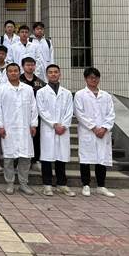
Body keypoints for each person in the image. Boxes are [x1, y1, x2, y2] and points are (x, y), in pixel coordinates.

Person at [0, 63, 38, 196]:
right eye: (10, 71)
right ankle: (10, 183)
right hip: (9, 128)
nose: (13, 73)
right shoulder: (2, 89)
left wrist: (33, 124)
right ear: (7, 73)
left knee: (25, 157)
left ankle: (23, 183)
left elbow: (34, 107)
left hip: (25, 128)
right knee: (8, 158)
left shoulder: (28, 89)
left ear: (19, 72)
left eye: (15, 71)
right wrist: (0, 126)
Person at [74, 67, 116, 197]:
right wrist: (93, 127)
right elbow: (79, 113)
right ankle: (86, 185)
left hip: (103, 132)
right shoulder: (80, 95)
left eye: (96, 77)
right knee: (85, 158)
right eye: (91, 77)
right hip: (87, 131)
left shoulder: (106, 96)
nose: (94, 80)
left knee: (101, 158)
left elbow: (111, 114)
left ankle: (101, 186)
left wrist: (104, 128)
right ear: (86, 79)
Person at [36, 64, 75, 197]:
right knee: (47, 157)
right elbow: (41, 110)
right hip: (48, 128)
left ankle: (62, 184)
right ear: (47, 75)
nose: (53, 74)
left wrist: (63, 125)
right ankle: (47, 185)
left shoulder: (67, 93)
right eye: (50, 72)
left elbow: (69, 111)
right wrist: (54, 124)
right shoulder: (41, 92)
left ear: (60, 74)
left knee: (61, 156)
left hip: (63, 129)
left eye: (56, 72)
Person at [19, 57, 46, 172]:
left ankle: (35, 160)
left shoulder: (40, 82)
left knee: (36, 137)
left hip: (36, 114)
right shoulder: (18, 80)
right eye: (28, 65)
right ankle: (19, 160)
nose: (30, 67)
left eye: (32, 65)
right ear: (23, 66)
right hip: (20, 114)